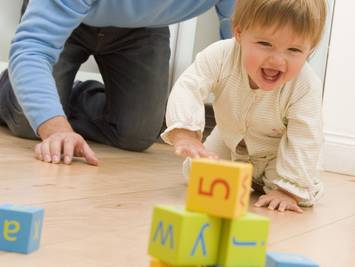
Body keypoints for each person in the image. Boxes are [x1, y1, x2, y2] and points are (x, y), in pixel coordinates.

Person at [0, 0, 234, 166]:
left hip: (143, 28)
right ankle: (16, 88)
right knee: (30, 124)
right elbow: (33, 50)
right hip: (69, 17)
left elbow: (242, 45)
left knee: (136, 134)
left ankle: (58, 95)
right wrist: (56, 129)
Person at [161, 0, 327, 212]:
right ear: (239, 33)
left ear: (309, 50)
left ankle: (290, 184)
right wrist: (185, 133)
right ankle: (244, 177)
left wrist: (290, 190)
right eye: (265, 44)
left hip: (277, 154)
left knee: (296, 191)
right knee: (196, 172)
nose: (277, 60)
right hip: (229, 141)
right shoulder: (220, 56)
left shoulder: (305, 85)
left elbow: (306, 136)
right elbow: (189, 86)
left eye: (294, 49)